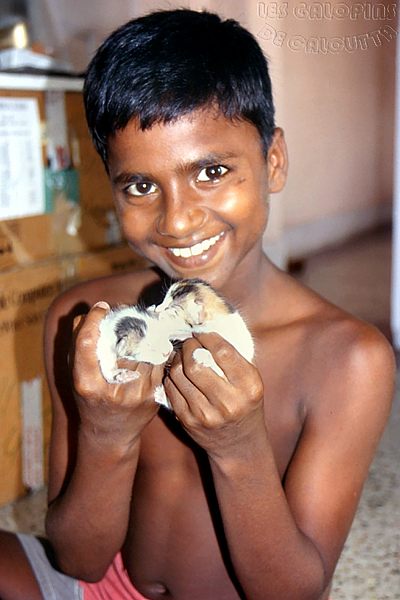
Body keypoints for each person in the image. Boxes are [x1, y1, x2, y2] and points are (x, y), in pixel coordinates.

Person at [0, 8, 395, 600]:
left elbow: (293, 592)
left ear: (273, 161)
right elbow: (80, 560)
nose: (178, 221)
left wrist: (239, 448)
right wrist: (107, 435)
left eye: (211, 171)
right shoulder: (83, 321)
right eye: (141, 186)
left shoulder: (349, 359)